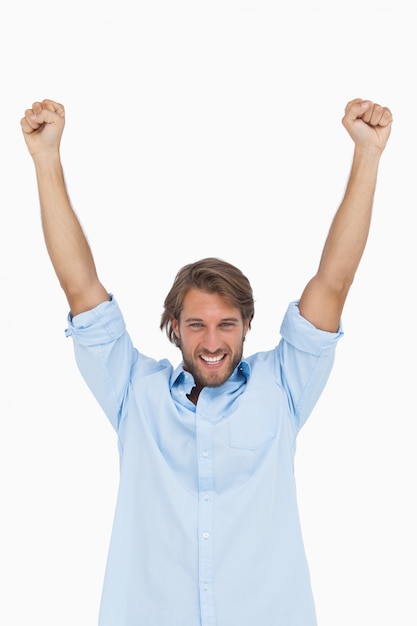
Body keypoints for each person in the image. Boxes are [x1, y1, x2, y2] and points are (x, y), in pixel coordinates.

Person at [21, 97, 392, 626]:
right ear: (174, 327)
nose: (212, 341)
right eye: (196, 325)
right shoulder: (134, 393)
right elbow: (79, 286)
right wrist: (46, 159)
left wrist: (368, 155)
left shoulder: (283, 386)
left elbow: (334, 281)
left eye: (226, 325)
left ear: (246, 327)